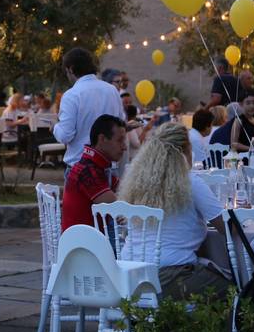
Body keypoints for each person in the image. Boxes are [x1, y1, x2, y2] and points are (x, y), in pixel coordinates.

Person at [117, 122, 229, 300]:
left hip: (130, 274)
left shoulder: (138, 183)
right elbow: (227, 227)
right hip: (169, 276)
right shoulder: (191, 182)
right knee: (234, 289)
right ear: (185, 151)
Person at [54, 48, 124, 170]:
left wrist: (55, 127)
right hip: (107, 164)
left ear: (70, 69)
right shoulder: (112, 90)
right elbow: (120, 124)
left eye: (66, 72)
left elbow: (65, 135)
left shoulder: (72, 95)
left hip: (80, 165)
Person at [61, 115, 126, 231]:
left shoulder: (95, 166)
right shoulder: (89, 171)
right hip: (83, 246)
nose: (125, 147)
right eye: (120, 140)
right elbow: (120, 212)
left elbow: (126, 190)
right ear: (102, 139)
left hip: (84, 240)